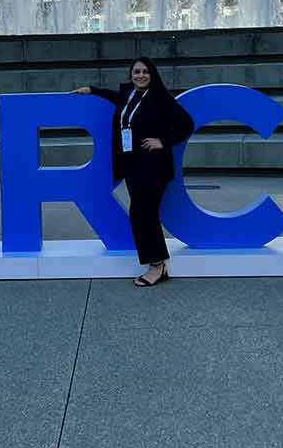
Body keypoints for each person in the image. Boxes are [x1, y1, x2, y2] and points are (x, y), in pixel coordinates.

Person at [75, 57, 194, 287]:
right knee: (141, 212)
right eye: (136, 72)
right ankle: (159, 265)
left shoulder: (160, 97)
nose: (140, 75)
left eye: (145, 72)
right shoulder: (129, 94)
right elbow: (114, 97)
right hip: (133, 165)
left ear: (152, 74)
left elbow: (186, 123)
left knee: (142, 213)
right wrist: (92, 90)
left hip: (154, 166)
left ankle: (156, 265)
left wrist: (163, 141)